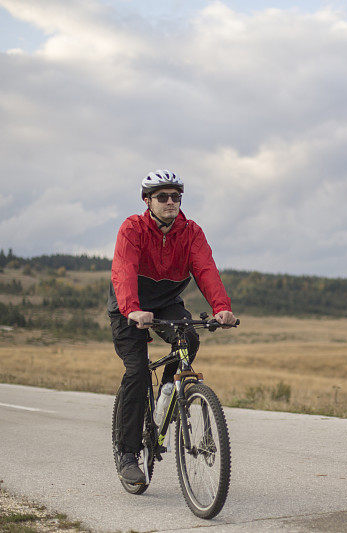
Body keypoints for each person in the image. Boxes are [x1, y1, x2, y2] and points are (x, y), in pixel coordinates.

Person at [108, 169, 237, 485]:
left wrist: (221, 309)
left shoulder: (191, 232)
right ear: (147, 200)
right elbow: (123, 270)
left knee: (190, 337)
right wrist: (133, 309)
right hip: (129, 304)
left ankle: (168, 394)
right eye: (162, 197)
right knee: (137, 372)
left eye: (175, 197)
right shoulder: (133, 228)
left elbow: (206, 270)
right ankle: (127, 454)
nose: (170, 202)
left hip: (165, 303)